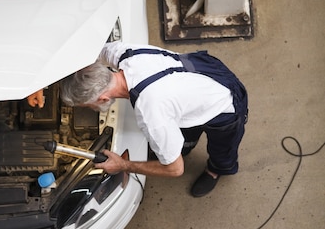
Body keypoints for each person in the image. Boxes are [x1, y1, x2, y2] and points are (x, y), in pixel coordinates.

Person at [32, 41, 248, 197]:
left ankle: (216, 169)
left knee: (223, 148)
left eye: (87, 106)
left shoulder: (150, 112)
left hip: (224, 103)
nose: (90, 109)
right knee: (181, 135)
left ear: (103, 98)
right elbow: (86, 52)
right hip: (197, 74)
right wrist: (41, 83)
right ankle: (182, 147)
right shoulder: (123, 54)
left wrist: (123, 164)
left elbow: (175, 169)